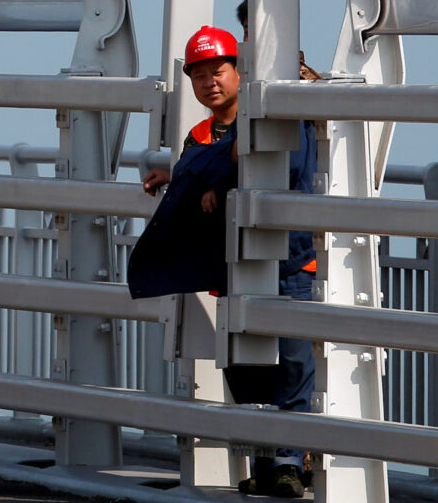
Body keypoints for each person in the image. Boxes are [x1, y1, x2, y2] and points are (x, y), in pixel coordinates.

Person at [128, 25, 316, 499]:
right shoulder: (199, 135)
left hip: (290, 261)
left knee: (292, 364)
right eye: (199, 75)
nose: (210, 82)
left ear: (239, 71)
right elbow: (198, 173)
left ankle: (290, 461)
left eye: (219, 71)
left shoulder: (283, 115)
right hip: (233, 266)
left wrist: (219, 176)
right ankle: (266, 462)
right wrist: (180, 174)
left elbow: (288, 168)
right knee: (246, 369)